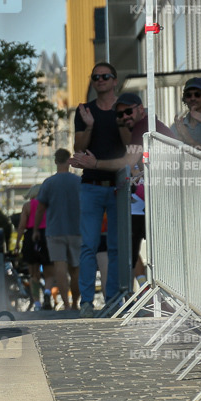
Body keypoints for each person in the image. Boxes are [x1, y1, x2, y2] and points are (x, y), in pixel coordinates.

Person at [72, 92, 172, 291]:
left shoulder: (144, 125)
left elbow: (127, 161)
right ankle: (146, 292)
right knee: (133, 246)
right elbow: (134, 163)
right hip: (160, 195)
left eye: (128, 111)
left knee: (155, 249)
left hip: (169, 196)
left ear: (140, 109)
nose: (125, 117)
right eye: (120, 115)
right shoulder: (142, 127)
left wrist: (96, 163)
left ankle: (160, 296)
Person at [73, 62, 126, 317]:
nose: (100, 80)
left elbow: (130, 146)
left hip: (118, 186)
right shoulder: (84, 110)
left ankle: (113, 298)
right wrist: (90, 126)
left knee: (116, 246)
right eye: (95, 77)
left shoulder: (123, 109)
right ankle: (86, 302)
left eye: (105, 76)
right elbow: (78, 148)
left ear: (114, 80)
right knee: (88, 246)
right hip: (91, 186)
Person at [33, 149, 82, 310]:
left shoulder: (48, 183)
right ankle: (76, 302)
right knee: (75, 268)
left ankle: (66, 304)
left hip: (54, 230)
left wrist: (35, 229)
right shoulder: (78, 181)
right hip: (76, 229)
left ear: (55, 161)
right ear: (69, 161)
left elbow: (40, 209)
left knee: (59, 268)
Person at [16, 185, 50, 309]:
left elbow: (21, 226)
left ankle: (36, 303)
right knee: (49, 271)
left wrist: (17, 243)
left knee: (33, 274)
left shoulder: (27, 206)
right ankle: (47, 292)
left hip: (31, 237)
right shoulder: (48, 204)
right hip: (47, 235)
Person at [171, 77, 201, 156]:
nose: (192, 98)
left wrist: (189, 140)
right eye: (189, 95)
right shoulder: (177, 126)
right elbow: (170, 157)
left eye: (197, 94)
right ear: (185, 99)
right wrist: (179, 139)